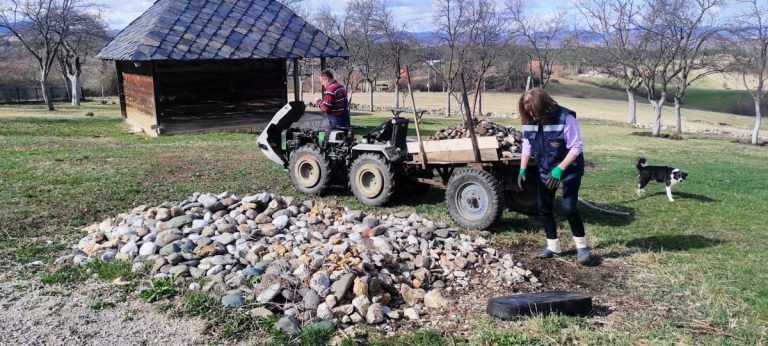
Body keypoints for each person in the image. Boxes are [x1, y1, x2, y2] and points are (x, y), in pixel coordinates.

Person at [517, 88, 590, 264]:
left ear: (543, 106)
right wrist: (522, 169)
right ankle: (553, 246)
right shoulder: (529, 120)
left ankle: (582, 247)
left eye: (533, 111)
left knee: (568, 207)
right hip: (545, 169)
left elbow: (576, 146)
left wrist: (560, 168)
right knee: (543, 207)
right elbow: (527, 144)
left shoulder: (565, 118)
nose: (531, 115)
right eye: (527, 112)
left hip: (569, 169)